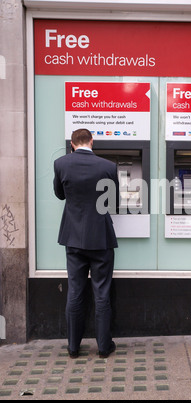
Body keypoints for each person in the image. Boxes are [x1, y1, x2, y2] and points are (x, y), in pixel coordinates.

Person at [53, 128, 119, 359]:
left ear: (72, 144)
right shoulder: (108, 167)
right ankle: (103, 347)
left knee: (75, 291)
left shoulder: (61, 163)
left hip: (73, 238)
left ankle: (73, 347)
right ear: (92, 141)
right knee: (102, 292)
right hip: (100, 238)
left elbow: (60, 194)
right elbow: (113, 201)